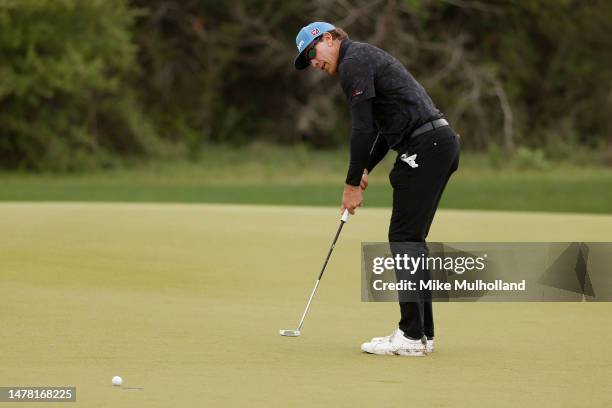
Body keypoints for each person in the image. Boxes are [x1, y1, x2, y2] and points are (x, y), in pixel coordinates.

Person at [294, 22, 461, 356]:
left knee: (403, 238)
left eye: (313, 52)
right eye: (307, 60)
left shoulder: (353, 62)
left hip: (426, 146)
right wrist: (367, 166)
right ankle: (422, 334)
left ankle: (410, 337)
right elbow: (385, 129)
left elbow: (362, 129)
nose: (314, 62)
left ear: (329, 39)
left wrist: (352, 183)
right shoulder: (363, 59)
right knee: (412, 240)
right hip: (436, 143)